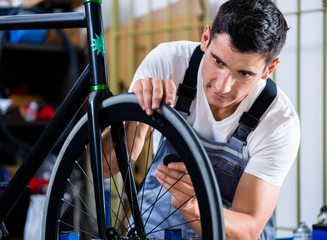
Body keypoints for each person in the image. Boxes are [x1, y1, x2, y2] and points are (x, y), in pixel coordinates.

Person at [127, 0, 301, 239]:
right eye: (218, 61)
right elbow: (108, 167)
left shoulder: (278, 122)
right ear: (205, 37)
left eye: (244, 74)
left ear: (268, 69)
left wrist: (192, 205)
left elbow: (247, 231)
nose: (222, 86)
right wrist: (135, 111)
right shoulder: (168, 63)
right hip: (153, 230)